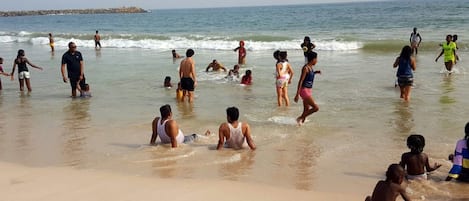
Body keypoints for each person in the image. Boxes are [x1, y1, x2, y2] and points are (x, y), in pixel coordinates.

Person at [294, 51, 321, 125]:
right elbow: (301, 81)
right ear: (313, 59)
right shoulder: (305, 68)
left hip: (308, 90)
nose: (317, 61)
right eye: (316, 59)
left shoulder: (311, 68)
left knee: (306, 109)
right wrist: (297, 94)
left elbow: (309, 76)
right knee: (316, 108)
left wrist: (315, 72)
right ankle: (300, 118)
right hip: (304, 90)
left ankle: (300, 124)